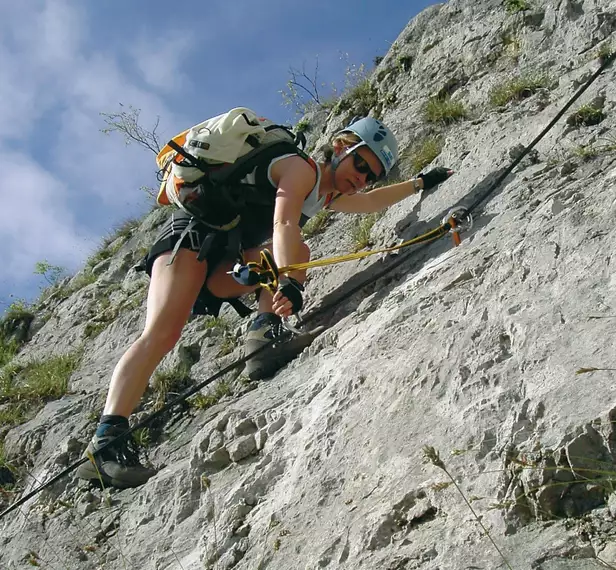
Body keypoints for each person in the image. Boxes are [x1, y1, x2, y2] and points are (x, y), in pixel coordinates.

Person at [76, 116, 454, 488]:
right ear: (340, 146)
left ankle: (262, 336)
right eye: (360, 164)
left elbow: (370, 203)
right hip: (190, 241)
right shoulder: (300, 168)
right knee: (161, 333)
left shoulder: (326, 193)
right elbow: (284, 224)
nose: (362, 178)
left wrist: (419, 183)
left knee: (295, 250)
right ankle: (105, 443)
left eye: (370, 174)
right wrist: (289, 280)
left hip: (224, 258)